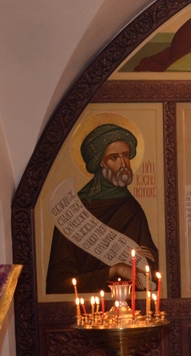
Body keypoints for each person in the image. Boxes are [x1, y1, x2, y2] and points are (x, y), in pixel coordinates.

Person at [46, 124, 159, 293]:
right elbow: (59, 283)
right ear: (100, 163)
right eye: (114, 158)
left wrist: (145, 256)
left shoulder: (132, 208)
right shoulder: (72, 211)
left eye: (126, 156)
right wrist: (114, 270)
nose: (123, 164)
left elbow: (152, 267)